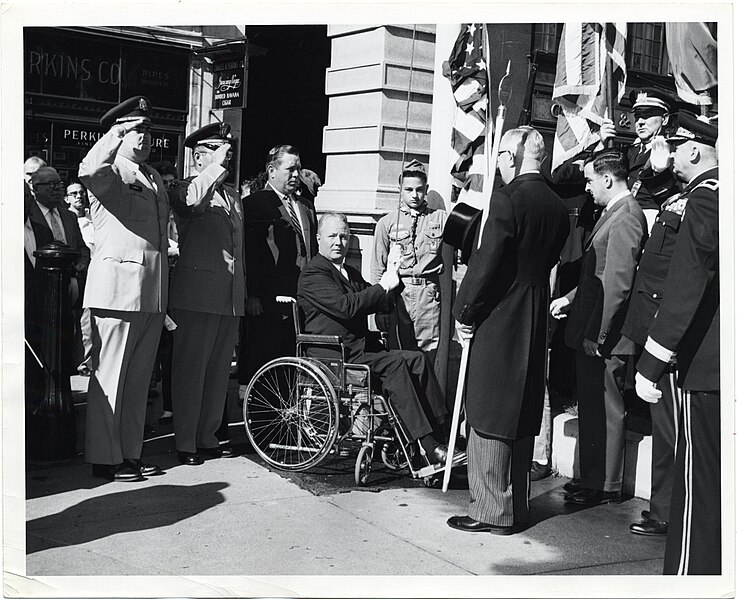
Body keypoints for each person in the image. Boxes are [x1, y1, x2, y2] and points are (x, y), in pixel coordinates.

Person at [447, 127, 569, 535]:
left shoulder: (508, 199)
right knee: (519, 409)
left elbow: (487, 265)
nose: (497, 161)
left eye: (500, 153)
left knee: (489, 408)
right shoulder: (555, 204)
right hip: (533, 314)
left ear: (515, 156)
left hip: (500, 314)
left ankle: (489, 509)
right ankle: (515, 506)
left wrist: (465, 312)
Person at [298, 213, 464, 466]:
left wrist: (394, 272)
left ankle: (441, 434)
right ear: (318, 238)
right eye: (332, 236)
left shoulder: (349, 273)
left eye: (344, 236)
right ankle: (428, 447)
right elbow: (347, 307)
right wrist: (382, 286)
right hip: (333, 354)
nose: (338, 242)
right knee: (395, 365)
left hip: (358, 350)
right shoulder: (314, 274)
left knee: (418, 360)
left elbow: (380, 298)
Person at [634, 112, 719, 575]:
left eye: (675, 142)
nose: (667, 151)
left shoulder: (708, 197)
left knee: (698, 492)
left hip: (707, 367)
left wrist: (652, 360)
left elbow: (688, 281)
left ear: (694, 150)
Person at [78, 95, 169, 482]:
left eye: (148, 130)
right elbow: (88, 168)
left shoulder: (151, 176)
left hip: (150, 291)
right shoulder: (110, 171)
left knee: (135, 382)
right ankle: (104, 457)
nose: (145, 137)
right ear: (119, 132)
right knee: (109, 378)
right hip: (116, 290)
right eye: (137, 129)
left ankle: (129, 453)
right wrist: (116, 132)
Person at [551, 149, 648, 506]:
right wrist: (571, 299)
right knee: (591, 406)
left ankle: (605, 484)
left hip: (606, 335)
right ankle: (591, 477)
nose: (588, 188)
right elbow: (599, 274)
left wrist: (599, 334)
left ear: (608, 178)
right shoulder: (614, 212)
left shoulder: (626, 216)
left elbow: (618, 283)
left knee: (606, 410)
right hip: (592, 327)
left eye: (591, 180)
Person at [619, 117, 697, 537]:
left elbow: (679, 276)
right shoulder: (676, 200)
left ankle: (667, 510)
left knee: (669, 429)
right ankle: (664, 506)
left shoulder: (694, 204)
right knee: (662, 424)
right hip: (654, 327)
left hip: (666, 335)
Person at [168, 122, 245, 465]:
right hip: (196, 295)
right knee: (191, 369)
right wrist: (215, 166)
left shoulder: (231, 195)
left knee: (217, 372)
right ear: (199, 157)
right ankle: (185, 440)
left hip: (228, 297)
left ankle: (207, 435)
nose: (226, 158)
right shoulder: (185, 187)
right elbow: (189, 205)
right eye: (216, 151)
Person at [239, 145, 317, 395]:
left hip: (300, 299)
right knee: (266, 365)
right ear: (272, 171)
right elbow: (250, 252)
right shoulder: (255, 204)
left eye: (299, 169)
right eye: (290, 169)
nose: (296, 175)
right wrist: (252, 295)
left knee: (292, 367)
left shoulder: (305, 206)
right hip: (267, 300)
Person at [25, 167, 91, 408]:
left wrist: (81, 265)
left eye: (58, 184)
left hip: (68, 291)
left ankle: (62, 397)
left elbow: (83, 248)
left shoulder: (69, 216)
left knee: (65, 346)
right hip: (38, 296)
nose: (56, 188)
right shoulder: (28, 216)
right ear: (35, 189)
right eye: (50, 184)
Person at [371, 159, 447, 355]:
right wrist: (380, 308)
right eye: (409, 189)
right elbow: (377, 269)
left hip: (428, 295)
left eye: (420, 189)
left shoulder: (440, 218)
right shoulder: (386, 223)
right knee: (398, 353)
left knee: (427, 353)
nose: (415, 195)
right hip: (399, 294)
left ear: (426, 189)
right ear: (400, 189)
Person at [622, 88, 678, 232]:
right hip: (623, 217)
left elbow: (671, 198)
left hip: (648, 221)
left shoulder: (673, 151)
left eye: (647, 115)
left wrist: (660, 173)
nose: (640, 122)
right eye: (638, 116)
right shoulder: (630, 150)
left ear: (664, 119)